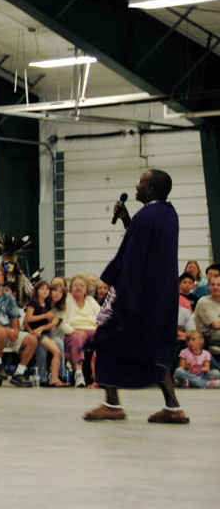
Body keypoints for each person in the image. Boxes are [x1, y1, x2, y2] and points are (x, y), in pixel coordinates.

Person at [84, 169, 190, 423]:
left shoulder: (146, 216)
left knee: (106, 337)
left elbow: (132, 257)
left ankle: (112, 404)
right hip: (161, 296)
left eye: (141, 182)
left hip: (140, 295)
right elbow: (145, 245)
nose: (136, 185)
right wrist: (127, 221)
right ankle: (174, 408)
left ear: (151, 189)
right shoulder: (167, 214)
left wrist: (113, 284)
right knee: (156, 348)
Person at [26, 280, 69, 387]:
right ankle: (48, 378)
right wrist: (32, 329)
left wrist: (44, 324)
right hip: (38, 334)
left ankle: (56, 377)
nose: (45, 291)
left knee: (58, 351)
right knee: (55, 352)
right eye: (42, 289)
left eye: (47, 289)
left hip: (45, 333)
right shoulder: (33, 303)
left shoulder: (48, 305)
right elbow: (28, 319)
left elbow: (52, 323)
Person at [63, 275, 101, 388]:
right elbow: (62, 323)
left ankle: (99, 376)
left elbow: (101, 317)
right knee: (77, 339)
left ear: (86, 289)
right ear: (71, 288)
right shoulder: (67, 300)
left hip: (92, 330)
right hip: (73, 332)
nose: (79, 287)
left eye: (82, 285)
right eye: (76, 285)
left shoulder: (90, 301)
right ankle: (79, 374)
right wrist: (75, 331)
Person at [193, 273, 220, 351]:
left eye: (219, 284)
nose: (216, 287)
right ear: (208, 287)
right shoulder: (204, 302)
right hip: (206, 336)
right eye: (213, 284)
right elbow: (216, 325)